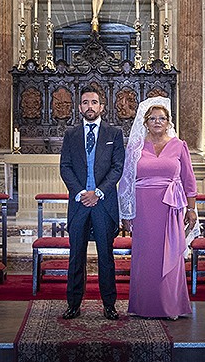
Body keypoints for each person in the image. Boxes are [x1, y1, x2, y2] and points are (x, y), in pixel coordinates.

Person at [118, 98, 197, 319]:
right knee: (146, 256)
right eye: (152, 118)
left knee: (169, 253)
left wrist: (191, 210)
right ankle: (144, 305)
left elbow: (188, 180)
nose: (157, 122)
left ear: (168, 121)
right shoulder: (135, 147)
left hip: (170, 208)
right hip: (143, 208)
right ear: (145, 122)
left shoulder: (179, 145)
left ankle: (171, 305)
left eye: (161, 118)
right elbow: (126, 180)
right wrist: (126, 212)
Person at [59, 84, 126, 319]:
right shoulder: (71, 134)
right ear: (79, 107)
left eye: (94, 102)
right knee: (76, 256)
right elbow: (65, 167)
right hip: (79, 204)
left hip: (103, 204)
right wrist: (80, 193)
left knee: (105, 256)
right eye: (86, 102)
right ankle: (73, 304)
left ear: (102, 107)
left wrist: (97, 192)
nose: (90, 106)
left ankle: (109, 304)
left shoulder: (114, 134)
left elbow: (118, 168)